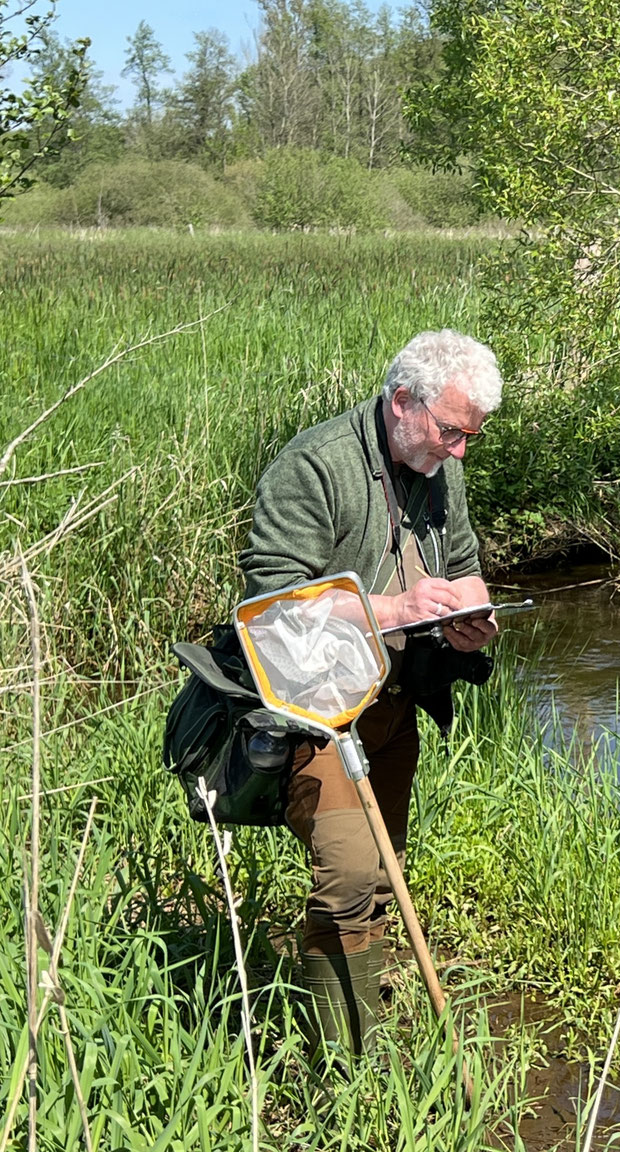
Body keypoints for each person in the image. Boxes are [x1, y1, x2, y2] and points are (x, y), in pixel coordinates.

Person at [239, 328, 502, 1055]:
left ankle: (367, 1027)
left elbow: (469, 565)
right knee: (352, 875)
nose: (459, 452)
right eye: (451, 432)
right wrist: (394, 610)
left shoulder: (441, 464)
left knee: (383, 875)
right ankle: (347, 1066)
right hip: (315, 715)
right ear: (400, 403)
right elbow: (274, 604)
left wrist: (470, 615)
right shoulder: (315, 466)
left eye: (469, 437)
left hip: (391, 707)